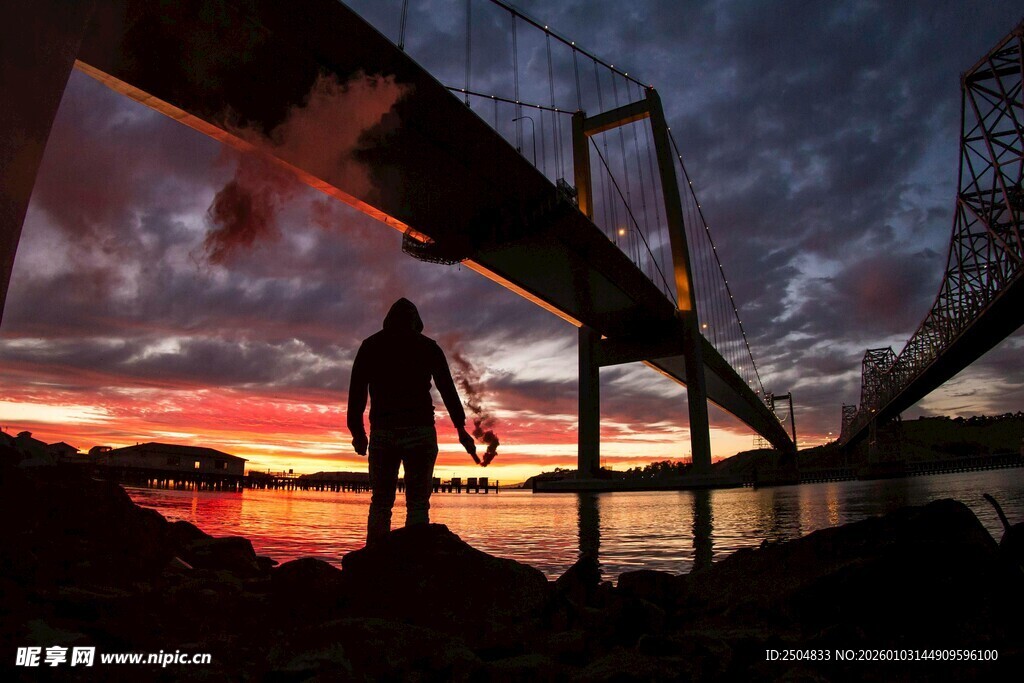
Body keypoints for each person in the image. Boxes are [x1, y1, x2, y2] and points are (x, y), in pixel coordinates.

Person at [347, 298, 477, 545]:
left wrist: (357, 431)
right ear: (417, 322)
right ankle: (414, 566)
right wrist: (460, 429)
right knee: (418, 504)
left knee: (381, 503)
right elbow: (447, 390)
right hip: (420, 431)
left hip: (383, 431)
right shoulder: (428, 347)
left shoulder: (371, 345)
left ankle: (374, 564)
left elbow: (356, 392)